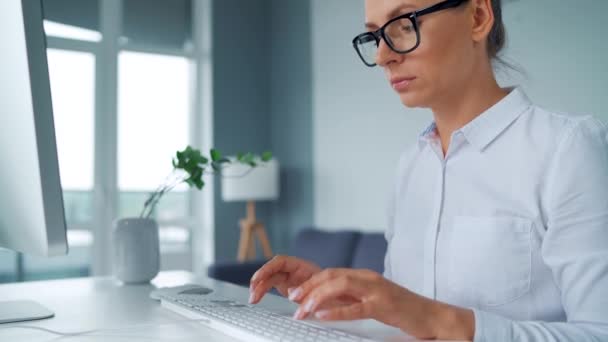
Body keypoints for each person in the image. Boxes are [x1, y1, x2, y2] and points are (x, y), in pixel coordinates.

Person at [249, 0, 608, 340]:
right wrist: (352, 301)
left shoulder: (568, 147)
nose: (383, 55)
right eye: (374, 36)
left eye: (404, 25)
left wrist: (444, 320)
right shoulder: (411, 166)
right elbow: (408, 316)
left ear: (478, 17)